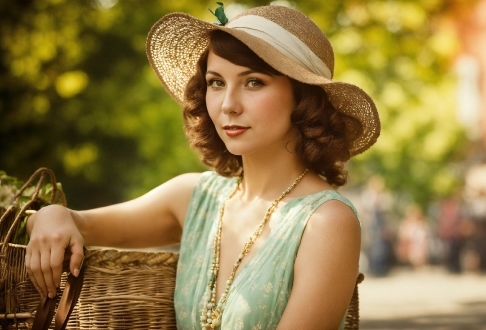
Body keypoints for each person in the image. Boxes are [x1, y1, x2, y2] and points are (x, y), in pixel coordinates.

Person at [25, 4, 380, 329]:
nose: (228, 104)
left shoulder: (326, 222)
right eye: (216, 82)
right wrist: (52, 214)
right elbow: (80, 224)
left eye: (254, 82)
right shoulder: (194, 197)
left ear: (304, 98)